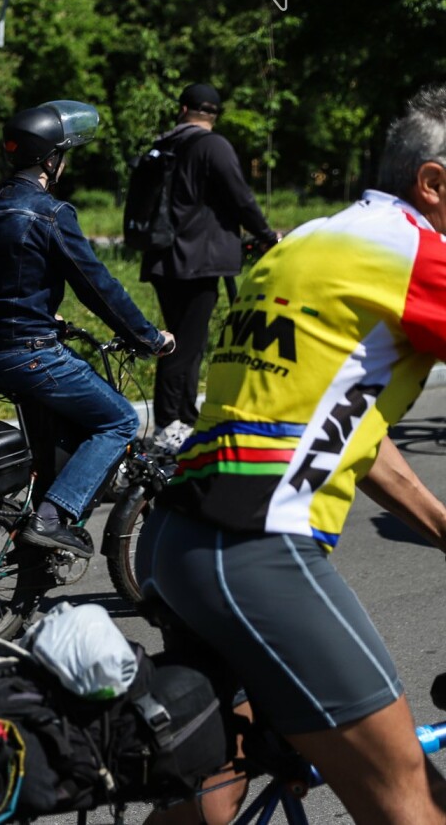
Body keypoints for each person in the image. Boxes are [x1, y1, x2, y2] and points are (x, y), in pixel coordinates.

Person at [139, 84, 446, 824]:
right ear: (433, 183)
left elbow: (348, 428)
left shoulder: (314, 239)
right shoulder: (415, 254)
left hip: (181, 542)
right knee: (410, 794)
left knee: (210, 796)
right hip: (257, 553)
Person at [0, 100, 174, 557]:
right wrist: (148, 337)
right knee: (119, 419)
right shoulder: (50, 212)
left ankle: (35, 547)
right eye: (64, 154)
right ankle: (52, 517)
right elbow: (97, 286)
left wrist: (46, 312)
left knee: (54, 437)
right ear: (50, 159)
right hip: (31, 353)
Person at [140, 83, 279, 454]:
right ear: (214, 114)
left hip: (163, 257)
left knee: (179, 343)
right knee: (186, 346)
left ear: (183, 108)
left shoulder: (166, 142)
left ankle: (181, 418)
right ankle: (172, 426)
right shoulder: (211, 145)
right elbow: (240, 197)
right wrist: (266, 236)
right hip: (195, 262)